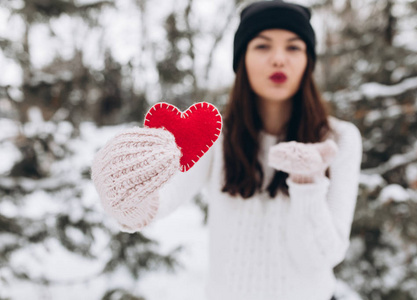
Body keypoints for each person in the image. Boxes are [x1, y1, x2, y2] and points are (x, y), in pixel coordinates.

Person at [91, 1, 362, 299]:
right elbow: (161, 199)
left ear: (308, 60)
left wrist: (308, 183)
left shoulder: (339, 139)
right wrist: (125, 194)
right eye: (262, 46)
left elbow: (323, 258)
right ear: (241, 58)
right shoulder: (215, 136)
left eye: (294, 47)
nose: (278, 59)